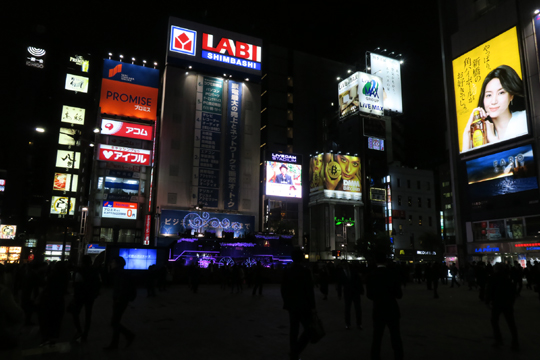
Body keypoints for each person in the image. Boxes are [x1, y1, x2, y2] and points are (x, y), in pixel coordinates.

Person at [462, 65, 527, 151]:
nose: (493, 101)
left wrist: (493, 139)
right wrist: (467, 132)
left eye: (501, 93)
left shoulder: (524, 119)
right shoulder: (482, 134)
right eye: (489, 95)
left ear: (511, 96)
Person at [366, 253, 403, 360]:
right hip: (392, 308)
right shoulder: (392, 274)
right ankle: (398, 356)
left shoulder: (371, 275)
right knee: (395, 335)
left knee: (377, 336)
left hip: (378, 309)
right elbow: (399, 295)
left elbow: (369, 295)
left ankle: (375, 356)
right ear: (386, 262)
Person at [281, 247, 316, 360]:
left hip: (292, 305)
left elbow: (283, 289)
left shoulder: (287, 271)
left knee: (294, 330)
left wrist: (287, 302)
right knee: (309, 329)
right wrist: (313, 306)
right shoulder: (305, 271)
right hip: (304, 305)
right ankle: (295, 352)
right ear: (301, 258)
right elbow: (310, 291)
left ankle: (294, 353)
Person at [104, 256, 136, 350]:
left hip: (120, 300)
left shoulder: (119, 274)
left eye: (113, 262)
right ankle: (114, 344)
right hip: (121, 300)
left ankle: (129, 335)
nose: (111, 264)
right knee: (116, 322)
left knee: (114, 322)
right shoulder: (122, 273)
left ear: (117, 263)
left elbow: (121, 288)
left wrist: (118, 298)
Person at [485, 263, 519, 351]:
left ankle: (498, 339)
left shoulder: (493, 277)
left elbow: (489, 290)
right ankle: (515, 342)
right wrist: (512, 302)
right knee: (511, 322)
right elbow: (512, 291)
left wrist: (487, 301)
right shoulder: (507, 277)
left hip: (497, 302)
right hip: (507, 303)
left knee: (494, 321)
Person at [69, 255, 101, 342]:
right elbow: (98, 283)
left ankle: (79, 330)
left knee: (75, 312)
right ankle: (85, 334)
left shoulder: (79, 270)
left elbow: (77, 284)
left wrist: (74, 296)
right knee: (88, 314)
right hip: (91, 295)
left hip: (80, 295)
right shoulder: (95, 270)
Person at [341, 262, 364, 330]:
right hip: (350, 292)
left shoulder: (352, 271)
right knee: (349, 309)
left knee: (357, 309)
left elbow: (359, 281)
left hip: (354, 292)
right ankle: (349, 324)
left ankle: (358, 324)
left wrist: (361, 289)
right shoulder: (349, 272)